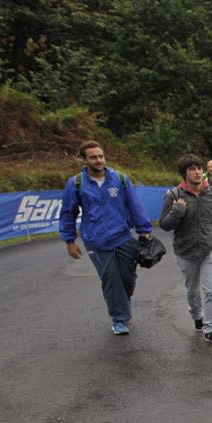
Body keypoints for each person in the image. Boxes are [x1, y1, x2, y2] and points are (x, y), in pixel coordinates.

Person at [59, 141, 154, 336]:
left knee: (127, 278)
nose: (99, 160)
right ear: (84, 160)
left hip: (123, 237)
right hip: (96, 241)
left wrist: (144, 229)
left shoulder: (120, 179)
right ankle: (119, 319)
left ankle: (121, 306)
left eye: (100, 156)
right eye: (93, 157)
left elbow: (134, 205)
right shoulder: (76, 184)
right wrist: (70, 240)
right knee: (110, 279)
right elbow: (68, 213)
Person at [159, 154, 212, 345]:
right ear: (184, 173)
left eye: (199, 168)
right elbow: (164, 224)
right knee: (192, 291)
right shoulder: (174, 195)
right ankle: (197, 316)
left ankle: (211, 328)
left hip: (210, 249)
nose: (197, 172)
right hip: (185, 251)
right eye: (192, 169)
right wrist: (177, 212)